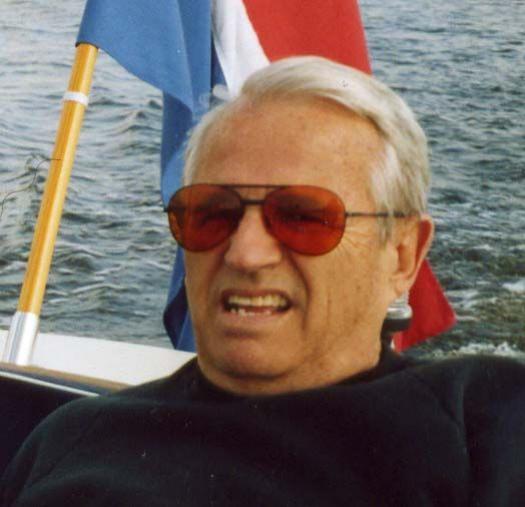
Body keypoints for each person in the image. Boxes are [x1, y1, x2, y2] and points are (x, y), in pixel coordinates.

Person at [1, 56, 524, 506]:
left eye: (302, 216)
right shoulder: (72, 439)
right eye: (212, 213)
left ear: (403, 255)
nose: (245, 254)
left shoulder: (490, 427)